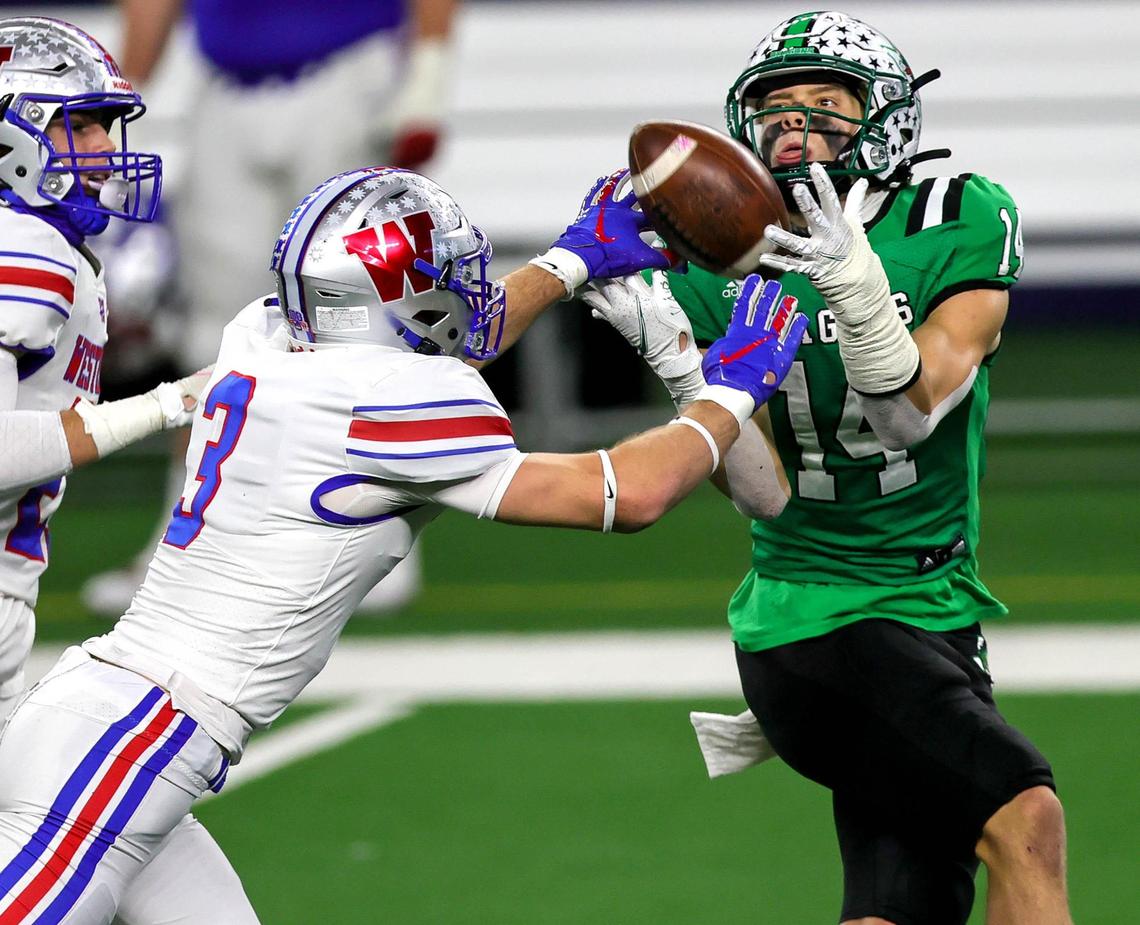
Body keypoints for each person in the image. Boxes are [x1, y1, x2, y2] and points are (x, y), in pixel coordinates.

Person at [0, 165, 807, 923]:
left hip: (107, 715)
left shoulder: (267, 337)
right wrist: (728, 387)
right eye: (435, 274)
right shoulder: (392, 398)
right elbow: (627, 494)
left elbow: (430, 342)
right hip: (134, 740)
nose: (462, 290)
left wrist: (568, 263)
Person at [583, 11, 1069, 925]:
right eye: (778, 106)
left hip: (936, 611)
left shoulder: (955, 214)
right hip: (812, 620)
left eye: (825, 102)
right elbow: (762, 492)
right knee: (1026, 815)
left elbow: (908, 410)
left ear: (885, 117)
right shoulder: (714, 260)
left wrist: (854, 285)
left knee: (903, 904)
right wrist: (687, 371)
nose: (797, 123)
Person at [82, 0, 460, 616]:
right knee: (215, 334)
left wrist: (429, 70)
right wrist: (129, 91)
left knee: (360, 318)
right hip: (226, 88)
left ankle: (376, 537)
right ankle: (185, 544)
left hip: (346, 75)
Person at [0, 16, 209, 723]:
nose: (103, 151)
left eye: (104, 129)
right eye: (79, 126)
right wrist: (170, 404)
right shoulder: (21, 251)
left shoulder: (38, 244)